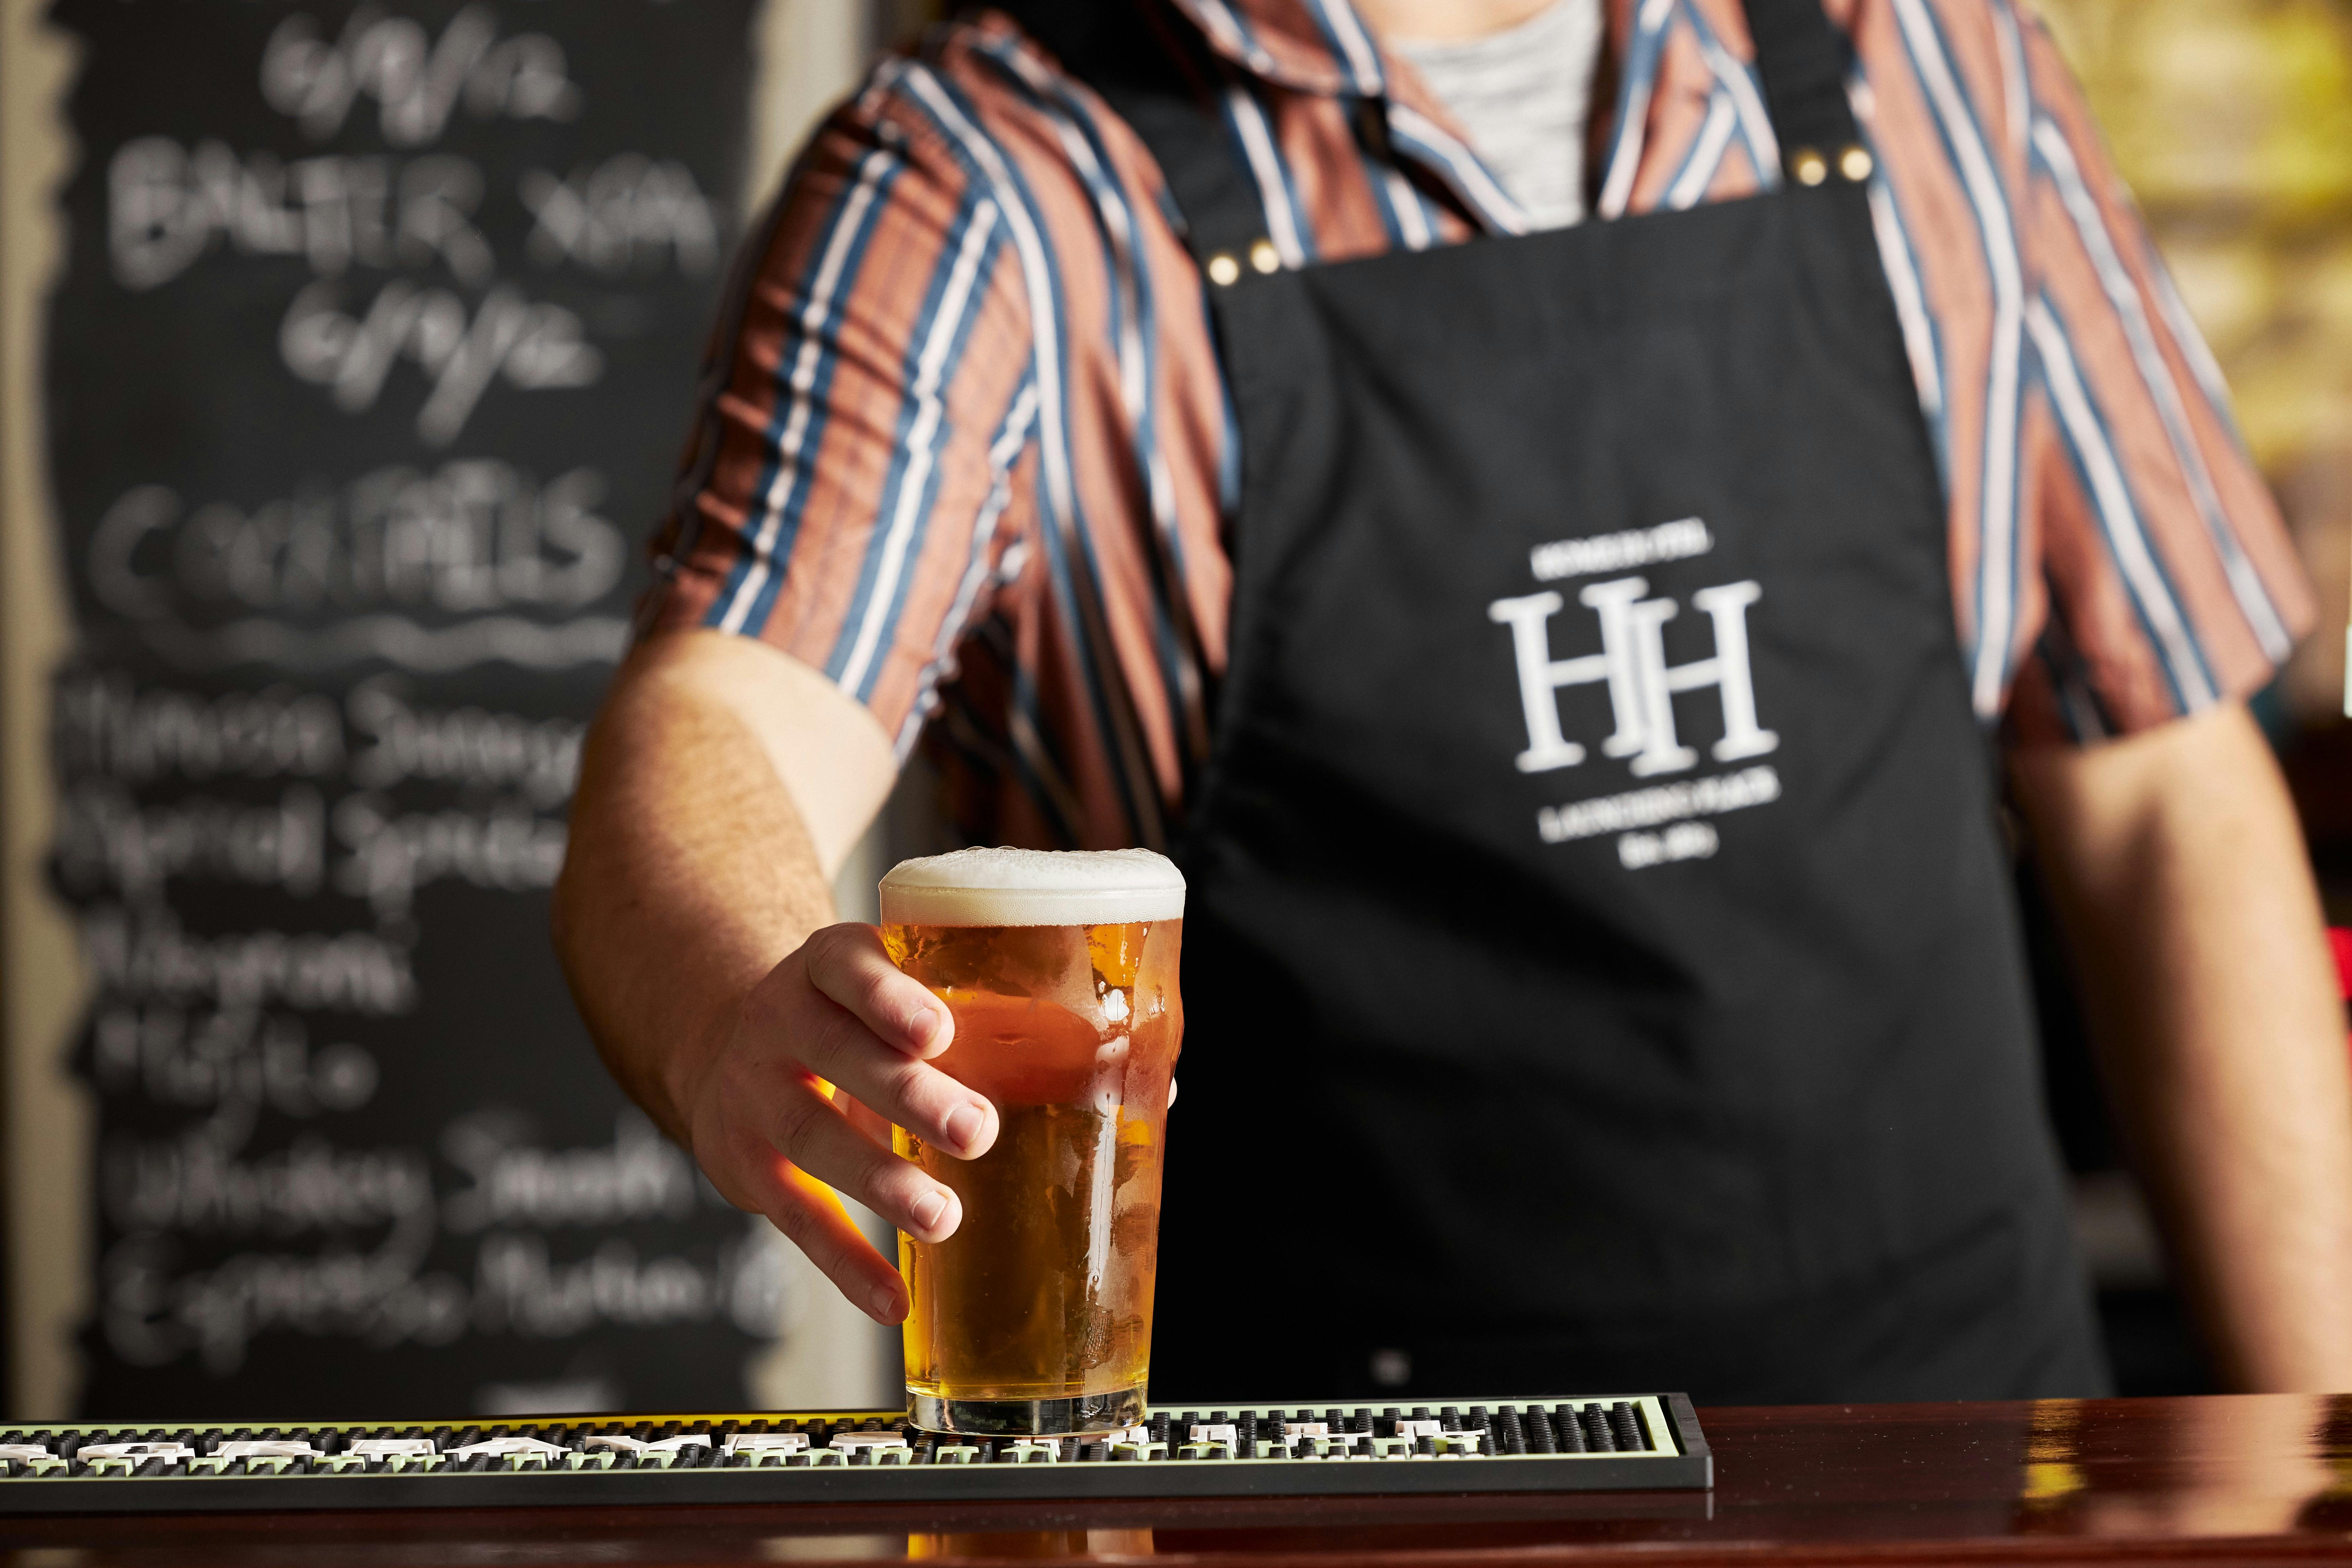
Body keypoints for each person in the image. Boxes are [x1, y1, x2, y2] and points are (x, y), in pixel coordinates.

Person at [554, 0, 2352, 1402]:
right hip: (1333, 1502)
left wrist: (2322, 1457)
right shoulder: (980, 179)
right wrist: (733, 1010)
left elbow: (2169, 792)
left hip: (1961, 1466)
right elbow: (714, 721)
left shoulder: (1936, 64)